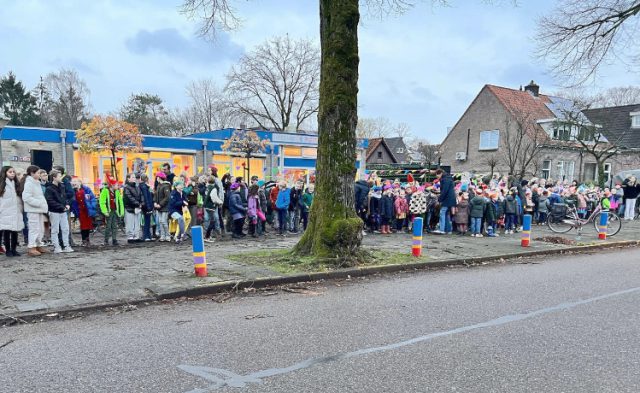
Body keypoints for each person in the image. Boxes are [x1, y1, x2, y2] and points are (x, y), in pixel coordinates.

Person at [22, 165, 50, 256]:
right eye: (38, 173)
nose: (39, 174)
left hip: (38, 210)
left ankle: (38, 244)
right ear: (32, 173)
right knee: (33, 228)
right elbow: (26, 197)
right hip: (33, 210)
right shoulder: (29, 183)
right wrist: (39, 203)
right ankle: (31, 246)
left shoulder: (36, 182)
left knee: (40, 228)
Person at [45, 169, 74, 253]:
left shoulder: (62, 186)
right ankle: (56, 246)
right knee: (55, 230)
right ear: (54, 177)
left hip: (63, 211)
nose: (61, 177)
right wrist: (61, 207)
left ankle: (66, 245)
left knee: (65, 229)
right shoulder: (49, 188)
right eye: (59, 176)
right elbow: (50, 200)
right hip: (54, 211)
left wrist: (67, 204)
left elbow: (65, 197)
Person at [0, 166, 25, 257]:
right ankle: (8, 250)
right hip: (5, 211)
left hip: (16, 210)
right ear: (5, 173)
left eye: (13, 172)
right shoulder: (2, 184)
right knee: (7, 232)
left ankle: (14, 249)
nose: (12, 173)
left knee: (15, 231)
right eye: (10, 172)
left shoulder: (16, 184)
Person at [53, 165, 76, 247]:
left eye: (54, 170)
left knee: (64, 226)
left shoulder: (65, 180)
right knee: (58, 226)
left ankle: (67, 242)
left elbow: (71, 193)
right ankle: (61, 242)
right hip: (57, 206)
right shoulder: (54, 181)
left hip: (64, 206)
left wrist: (62, 196)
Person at [70, 177, 97, 247]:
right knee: (83, 226)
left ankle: (87, 239)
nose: (74, 183)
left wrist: (92, 206)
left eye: (75, 181)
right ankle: (83, 240)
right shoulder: (72, 191)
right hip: (80, 211)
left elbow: (92, 198)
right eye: (73, 181)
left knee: (88, 225)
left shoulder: (86, 189)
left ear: (80, 182)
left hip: (87, 210)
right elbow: (72, 201)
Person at [99, 178, 124, 246]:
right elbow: (102, 202)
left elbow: (120, 202)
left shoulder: (117, 192)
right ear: (112, 185)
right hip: (108, 212)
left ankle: (114, 239)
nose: (118, 186)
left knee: (115, 226)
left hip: (115, 211)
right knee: (108, 226)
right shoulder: (105, 191)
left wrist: (121, 211)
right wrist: (105, 211)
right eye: (116, 185)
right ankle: (106, 240)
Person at [434, 169, 456, 234]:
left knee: (442, 213)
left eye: (437, 175)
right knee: (447, 214)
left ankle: (441, 229)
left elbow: (444, 191)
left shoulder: (445, 179)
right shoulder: (449, 178)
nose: (437, 177)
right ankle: (448, 230)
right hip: (451, 199)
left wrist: (440, 199)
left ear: (440, 173)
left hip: (447, 199)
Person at [123, 173, 143, 243]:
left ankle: (136, 236)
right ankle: (130, 237)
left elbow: (141, 195)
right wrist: (138, 203)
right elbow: (129, 197)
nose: (134, 178)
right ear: (128, 178)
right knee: (130, 223)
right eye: (133, 177)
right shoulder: (126, 187)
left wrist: (141, 203)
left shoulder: (137, 187)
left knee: (137, 223)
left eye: (135, 177)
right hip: (130, 208)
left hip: (137, 207)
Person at [153, 172, 171, 242]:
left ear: (159, 178)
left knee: (163, 221)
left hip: (164, 207)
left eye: (157, 177)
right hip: (159, 207)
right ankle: (162, 236)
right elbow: (155, 196)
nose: (156, 179)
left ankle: (167, 235)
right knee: (160, 222)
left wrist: (160, 204)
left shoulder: (165, 186)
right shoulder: (159, 186)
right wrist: (155, 202)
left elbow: (167, 197)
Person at [138, 174, 154, 242]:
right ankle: (146, 236)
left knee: (147, 221)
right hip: (147, 206)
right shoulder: (144, 186)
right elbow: (146, 197)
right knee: (147, 221)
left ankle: (148, 236)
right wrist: (148, 206)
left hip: (146, 205)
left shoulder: (142, 186)